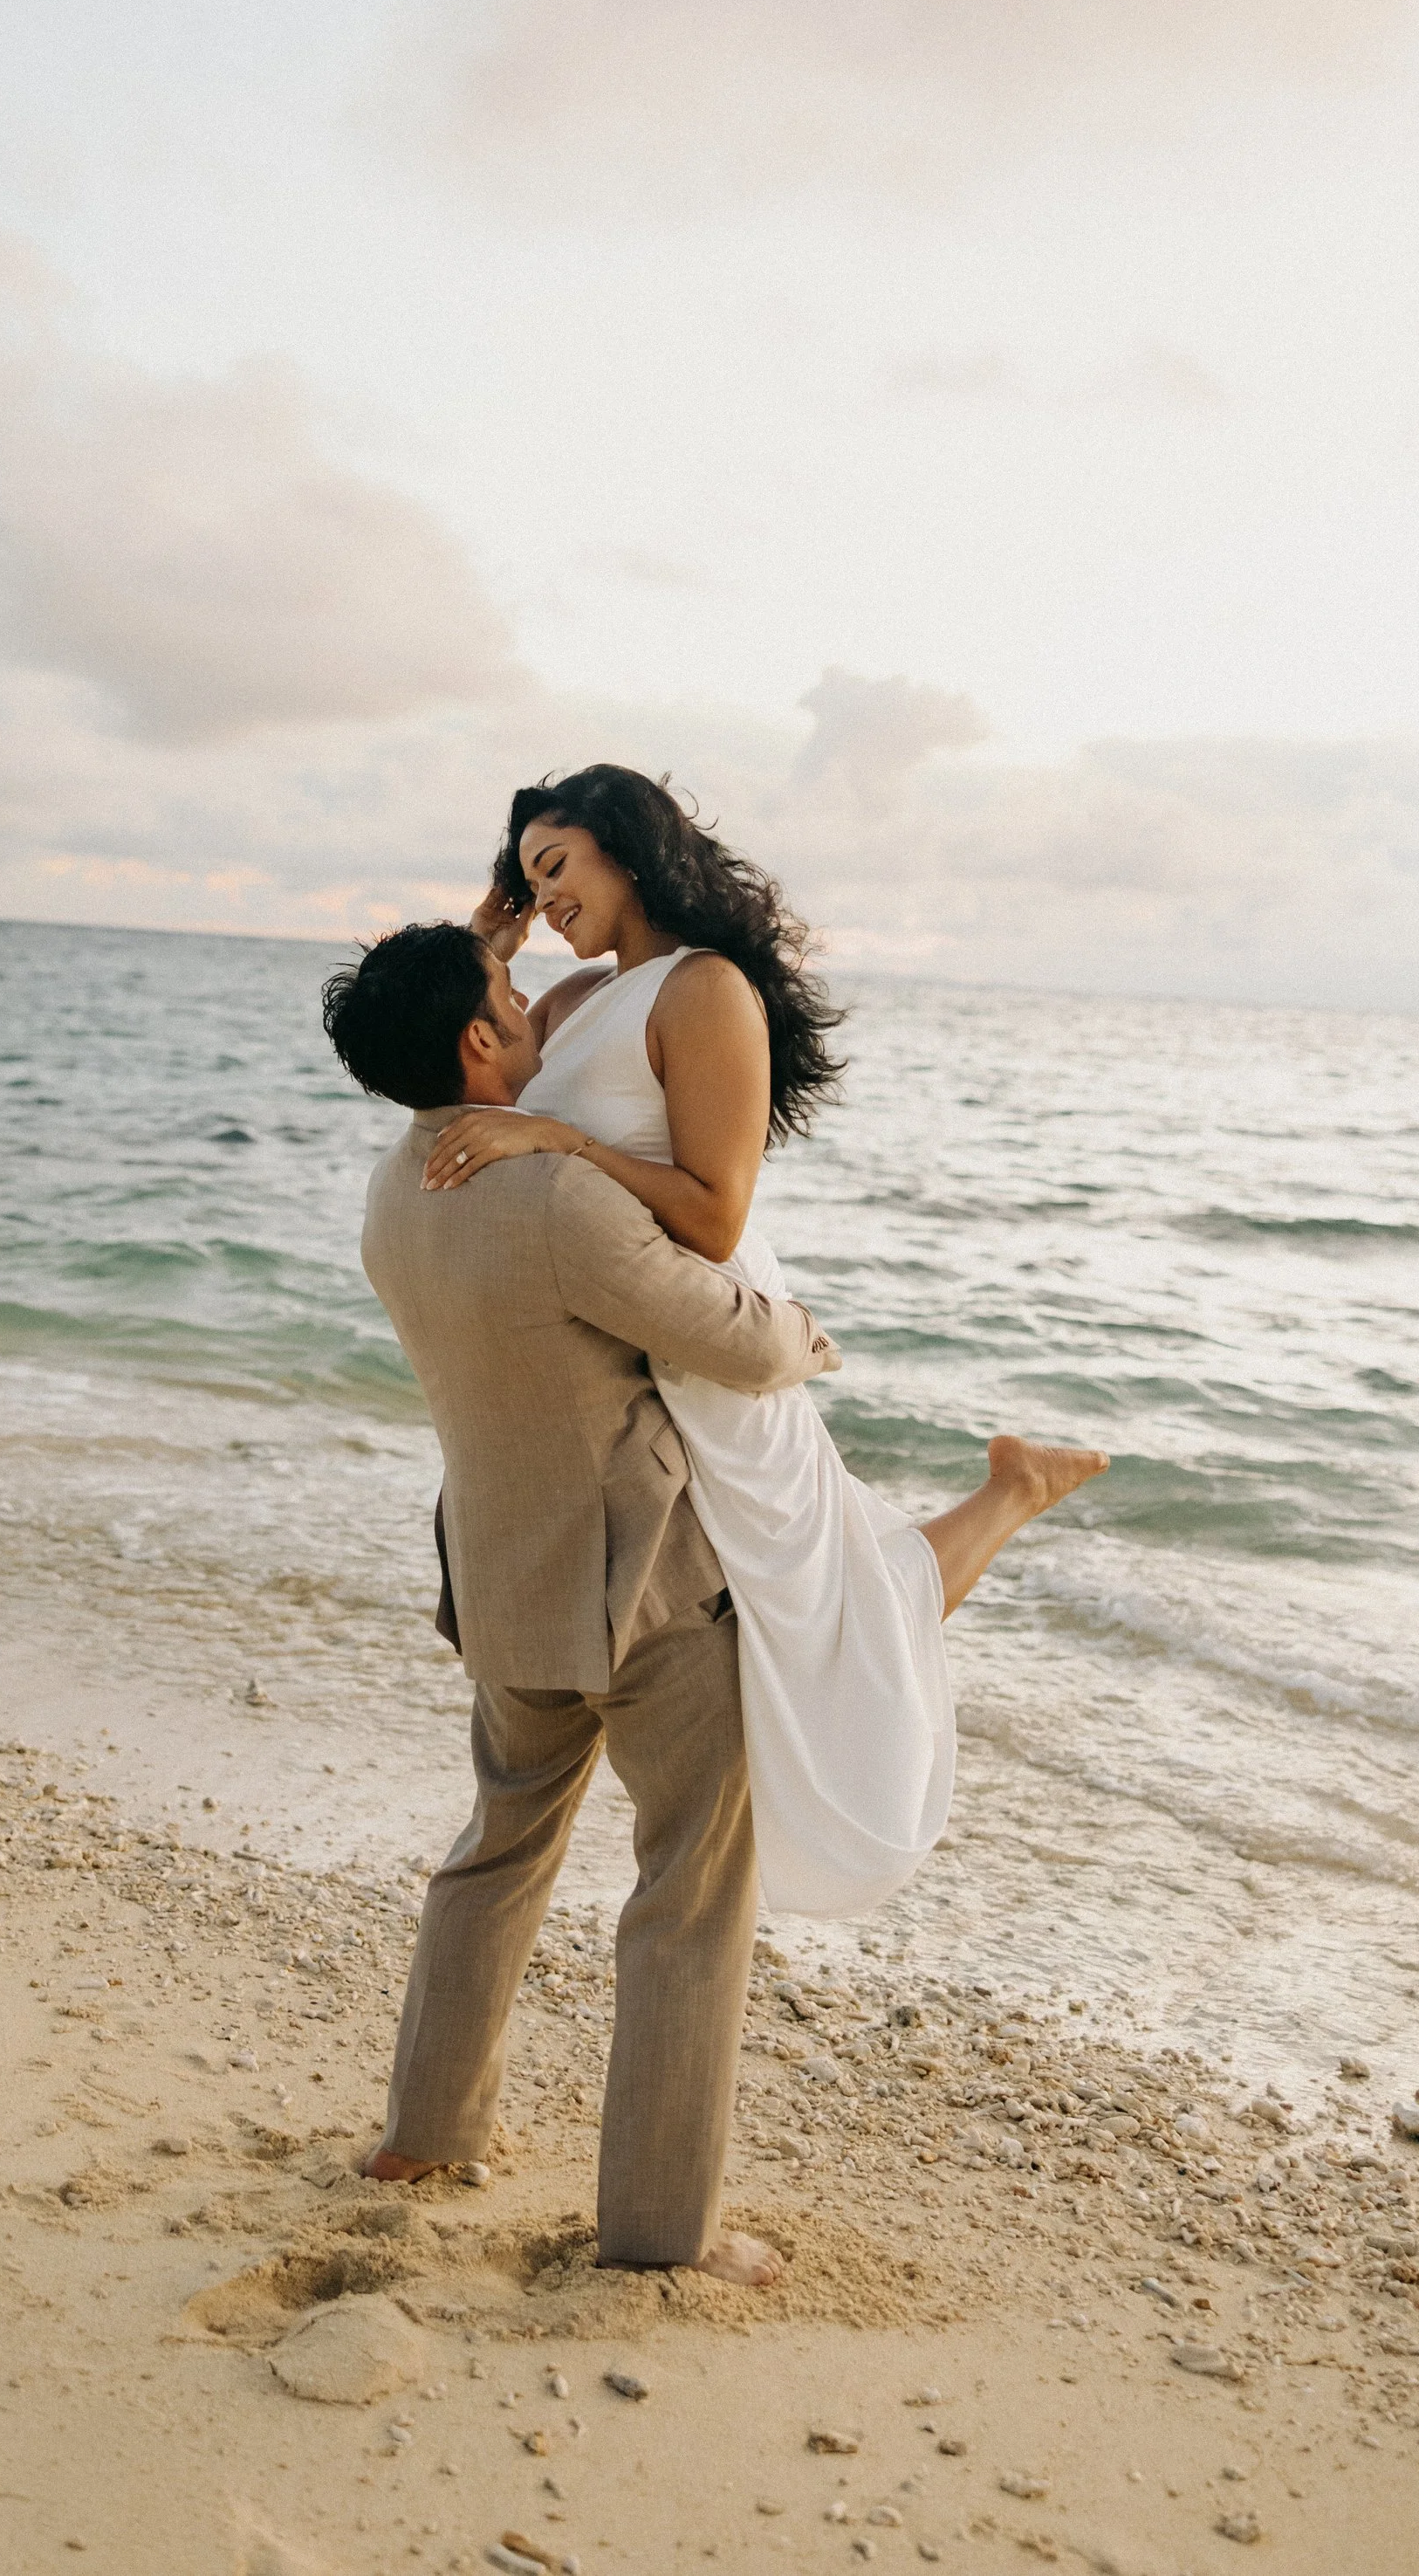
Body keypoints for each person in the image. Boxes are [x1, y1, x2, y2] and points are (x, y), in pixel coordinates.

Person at [321, 907, 1100, 2285]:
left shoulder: (397, 1187)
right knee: (690, 1897)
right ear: (476, 1036)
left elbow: (489, 1060)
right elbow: (731, 1341)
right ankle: (663, 2236)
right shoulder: (555, 1198)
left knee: (496, 1854)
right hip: (645, 1595)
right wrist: (810, 1333)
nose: (533, 1000)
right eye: (509, 989)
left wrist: (479, 934)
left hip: (500, 1580)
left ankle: (423, 2139)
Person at [419, 762, 1108, 1918]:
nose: (549, 895)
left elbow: (714, 1209)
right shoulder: (578, 1001)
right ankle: (1009, 1488)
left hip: (706, 1326)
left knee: (811, 1591)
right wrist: (488, 938)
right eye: (529, 876)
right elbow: (474, 1054)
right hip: (618, 1331)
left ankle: (1010, 1493)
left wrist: (563, 1148)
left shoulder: (706, 990)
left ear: (625, 851)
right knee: (798, 1592)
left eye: (559, 866)